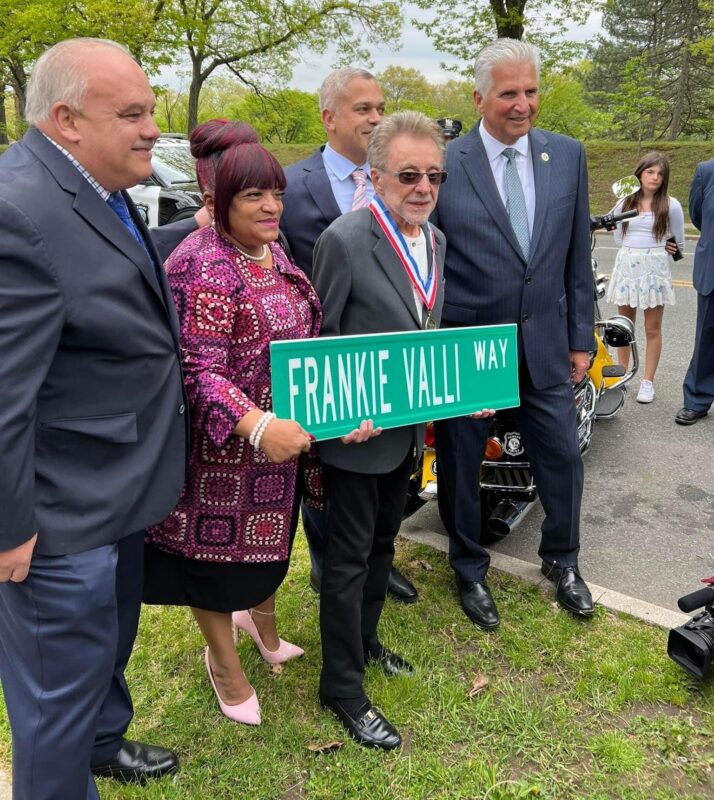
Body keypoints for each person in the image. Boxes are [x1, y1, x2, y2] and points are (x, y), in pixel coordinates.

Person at [0, 38, 208, 800]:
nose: (154, 128)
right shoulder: (16, 208)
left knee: (101, 653)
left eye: (151, 108)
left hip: (114, 492)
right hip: (58, 519)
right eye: (133, 113)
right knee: (54, 697)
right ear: (66, 119)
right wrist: (7, 525)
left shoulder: (93, 184)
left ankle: (100, 743)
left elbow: (106, 280)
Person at [143, 120, 322, 725]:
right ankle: (222, 660)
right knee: (215, 572)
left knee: (269, 553)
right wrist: (254, 423)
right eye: (253, 196)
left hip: (276, 452)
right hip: (223, 457)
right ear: (219, 201)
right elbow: (197, 371)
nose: (272, 206)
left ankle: (263, 630)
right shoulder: (204, 263)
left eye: (276, 192)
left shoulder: (273, 248)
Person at [313, 110, 472, 751]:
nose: (423, 187)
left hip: (404, 436)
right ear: (375, 175)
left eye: (433, 175)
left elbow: (429, 339)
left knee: (384, 548)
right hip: (355, 440)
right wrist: (335, 418)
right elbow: (318, 343)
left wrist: (462, 391)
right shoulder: (345, 239)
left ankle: (368, 641)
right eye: (408, 175)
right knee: (347, 564)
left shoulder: (433, 241)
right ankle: (342, 688)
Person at [431, 38, 596, 631]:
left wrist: (582, 337)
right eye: (509, 93)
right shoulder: (447, 164)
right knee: (459, 463)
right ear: (479, 98)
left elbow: (578, 256)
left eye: (530, 91)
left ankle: (563, 559)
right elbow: (433, 268)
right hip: (471, 349)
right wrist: (441, 354)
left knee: (562, 457)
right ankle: (469, 567)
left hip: (546, 345)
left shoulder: (568, 155)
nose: (523, 104)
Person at [281, 67, 419, 604]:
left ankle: (373, 565)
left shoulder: (403, 185)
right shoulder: (290, 188)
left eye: (381, 107)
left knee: (377, 490)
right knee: (326, 482)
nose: (377, 117)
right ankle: (329, 565)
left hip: (386, 373)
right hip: (319, 364)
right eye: (364, 109)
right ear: (329, 117)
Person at [606, 152, 684, 404]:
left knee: (652, 328)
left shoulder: (670, 204)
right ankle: (623, 376)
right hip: (627, 264)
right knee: (623, 326)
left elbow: (678, 242)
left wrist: (669, 249)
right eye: (650, 172)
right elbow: (617, 235)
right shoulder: (624, 202)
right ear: (639, 173)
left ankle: (647, 382)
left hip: (655, 269)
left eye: (660, 174)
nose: (655, 177)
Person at [676, 158, 714, 426]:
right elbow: (698, 215)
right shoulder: (707, 171)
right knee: (707, 340)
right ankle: (697, 399)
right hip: (713, 268)